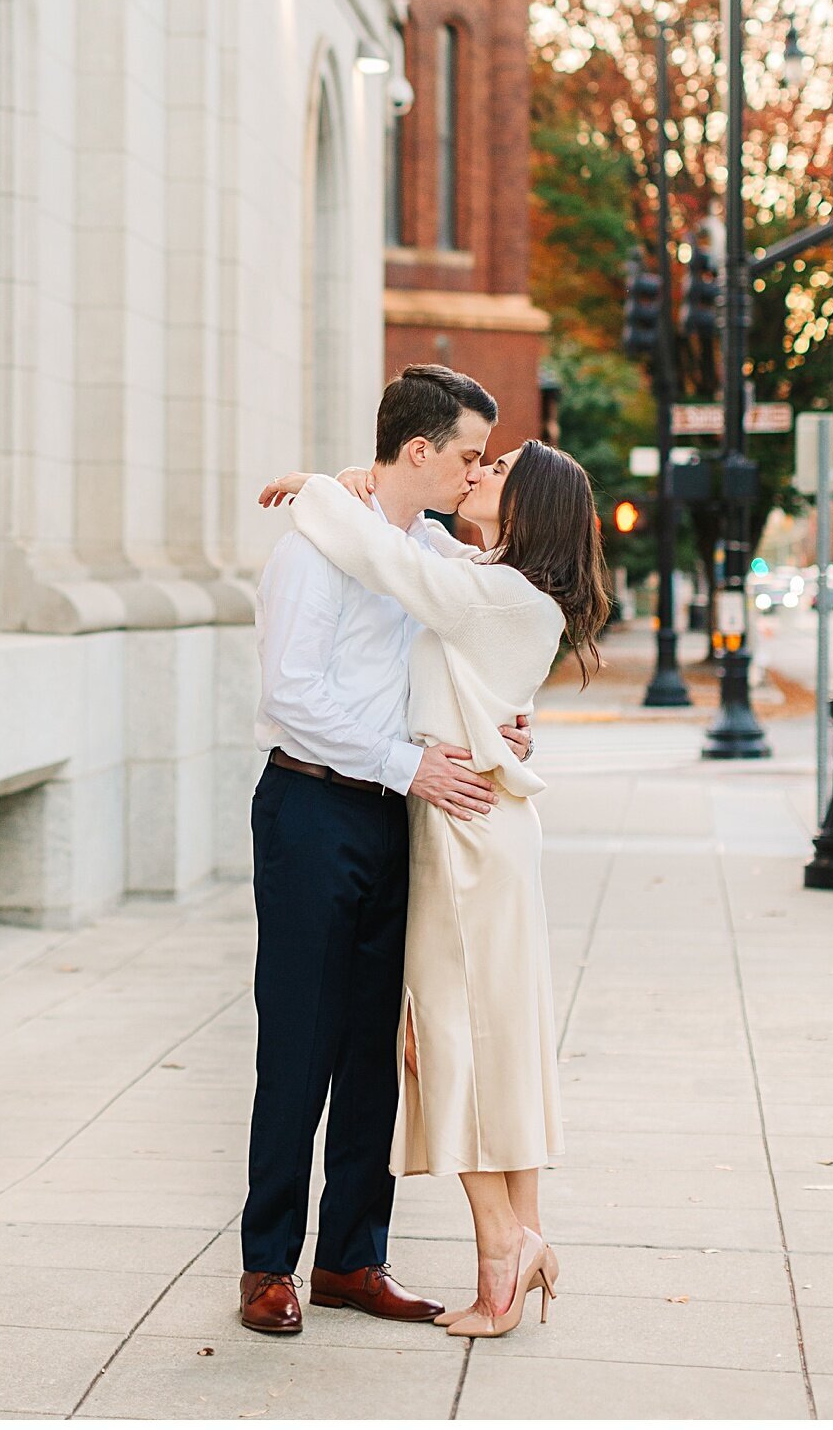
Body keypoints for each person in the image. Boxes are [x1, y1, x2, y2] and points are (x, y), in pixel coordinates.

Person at [259, 432, 611, 1339]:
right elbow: (415, 547)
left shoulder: (493, 591)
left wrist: (317, 489)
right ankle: (521, 1237)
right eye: (473, 457)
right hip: (464, 826)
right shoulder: (493, 574)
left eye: (494, 469)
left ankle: (502, 1253)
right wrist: (362, 486)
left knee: (449, 1042)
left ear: (527, 507)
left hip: (462, 844)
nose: (476, 471)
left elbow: (390, 556)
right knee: (494, 1040)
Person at [238, 365, 534, 1338]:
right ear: (416, 451)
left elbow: (466, 661)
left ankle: (352, 1260)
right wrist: (402, 764)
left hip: (398, 816)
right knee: (298, 1046)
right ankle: (267, 1267)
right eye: (465, 454)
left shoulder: (434, 552)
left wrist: (503, 730)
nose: (474, 471)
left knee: (377, 1048)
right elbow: (290, 696)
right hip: (312, 809)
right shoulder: (311, 555)